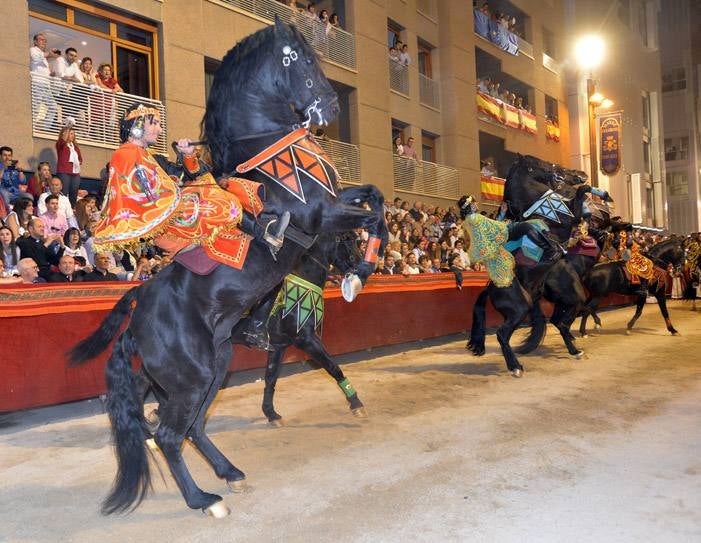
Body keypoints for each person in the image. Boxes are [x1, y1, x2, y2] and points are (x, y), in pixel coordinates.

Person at [93, 102, 290, 260]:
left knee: (224, 184)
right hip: (163, 222)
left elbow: (185, 176)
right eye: (154, 123)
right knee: (222, 201)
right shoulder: (125, 155)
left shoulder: (150, 157)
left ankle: (265, 229)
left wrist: (188, 156)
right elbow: (146, 197)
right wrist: (181, 189)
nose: (160, 130)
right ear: (137, 126)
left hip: (170, 212)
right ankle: (266, 234)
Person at [29, 33, 59, 131]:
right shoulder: (32, 50)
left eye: (45, 40)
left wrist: (51, 75)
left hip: (46, 85)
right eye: (41, 40)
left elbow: (43, 70)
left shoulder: (45, 58)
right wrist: (49, 54)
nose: (44, 42)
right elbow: (35, 58)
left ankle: (45, 129)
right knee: (36, 107)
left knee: (53, 106)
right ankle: (31, 129)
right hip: (37, 83)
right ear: (35, 41)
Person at [56, 125, 83, 206]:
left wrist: (78, 161)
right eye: (71, 133)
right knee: (63, 193)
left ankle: (72, 210)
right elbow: (63, 140)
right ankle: (61, 210)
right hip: (64, 172)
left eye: (73, 134)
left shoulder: (75, 147)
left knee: (74, 194)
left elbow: (80, 159)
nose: (72, 135)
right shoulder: (61, 144)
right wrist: (67, 128)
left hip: (75, 173)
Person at [0, 146, 29, 212]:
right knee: (5, 195)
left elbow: (23, 182)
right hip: (3, 191)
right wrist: (4, 168)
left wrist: (20, 170)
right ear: (0, 156)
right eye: (5, 155)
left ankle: (22, 217)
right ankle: (7, 215)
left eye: (9, 155)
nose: (7, 158)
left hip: (16, 193)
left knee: (28, 196)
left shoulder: (14, 166)